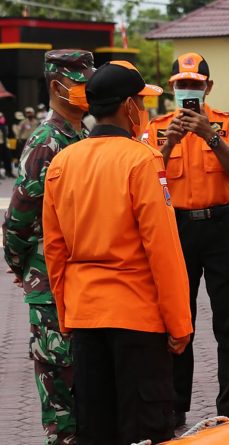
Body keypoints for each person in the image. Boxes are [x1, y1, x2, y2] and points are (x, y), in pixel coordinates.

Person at [42, 60, 192, 445]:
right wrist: (179, 323)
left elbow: (55, 250)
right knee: (145, 429)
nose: (143, 111)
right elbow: (163, 249)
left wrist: (66, 315)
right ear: (128, 106)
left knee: (97, 428)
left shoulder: (62, 162)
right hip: (136, 318)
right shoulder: (142, 160)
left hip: (85, 316)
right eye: (141, 103)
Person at [142, 52, 229, 424]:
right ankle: (176, 407)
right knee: (178, 317)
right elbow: (144, 178)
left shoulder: (228, 123)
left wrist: (211, 135)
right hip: (177, 229)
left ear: (208, 87)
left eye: (194, 84)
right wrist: (169, 145)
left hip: (222, 227)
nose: (188, 90)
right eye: (182, 85)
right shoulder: (157, 127)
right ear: (172, 88)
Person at [2, 49, 93, 445]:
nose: (87, 90)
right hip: (49, 281)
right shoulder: (47, 141)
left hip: (79, 275)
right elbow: (19, 216)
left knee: (82, 381)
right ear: (57, 86)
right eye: (80, 82)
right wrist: (23, 266)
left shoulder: (83, 135)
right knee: (60, 391)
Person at [0, 111, 12, 178]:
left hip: (5, 144)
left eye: (2, 117)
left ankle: (9, 172)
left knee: (8, 158)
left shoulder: (5, 126)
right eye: (0, 117)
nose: (2, 118)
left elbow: (7, 135)